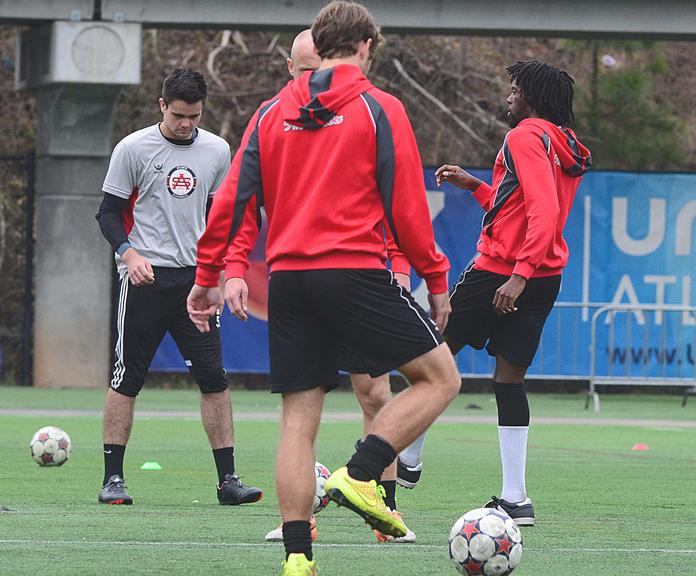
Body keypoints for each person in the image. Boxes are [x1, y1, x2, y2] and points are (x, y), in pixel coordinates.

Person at [186, 3, 461, 574]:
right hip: (355, 273)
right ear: (363, 45)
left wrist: (208, 275)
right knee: (440, 378)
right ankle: (361, 475)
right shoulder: (379, 108)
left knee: (297, 421)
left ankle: (297, 558)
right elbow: (407, 208)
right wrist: (435, 276)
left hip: (289, 282)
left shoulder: (268, 114)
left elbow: (232, 200)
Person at [261, 28, 414, 545]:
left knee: (374, 392)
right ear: (293, 68)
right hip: (325, 276)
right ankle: (299, 524)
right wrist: (229, 268)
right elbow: (244, 199)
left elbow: (390, 201)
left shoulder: (366, 112)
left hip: (346, 272)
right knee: (301, 417)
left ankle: (383, 512)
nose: (314, 79)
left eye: (317, 69)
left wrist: (400, 262)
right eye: (304, 72)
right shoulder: (278, 115)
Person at [92, 68, 263, 507]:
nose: (186, 123)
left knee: (214, 379)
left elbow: (220, 216)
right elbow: (108, 214)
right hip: (145, 281)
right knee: (127, 378)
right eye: (179, 115)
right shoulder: (132, 148)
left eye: (195, 116)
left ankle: (228, 481)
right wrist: (130, 255)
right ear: (162, 106)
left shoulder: (217, 151)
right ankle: (113, 480)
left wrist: (220, 271)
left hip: (197, 281)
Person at [435, 59, 591, 527]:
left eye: (515, 89)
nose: (509, 97)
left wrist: (518, 273)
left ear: (533, 98)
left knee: (430, 357)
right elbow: (523, 207)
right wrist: (478, 187)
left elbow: (542, 209)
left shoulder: (524, 135)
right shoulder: (564, 142)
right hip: (545, 276)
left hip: (503, 272)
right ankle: (515, 499)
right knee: (509, 382)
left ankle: (403, 467)